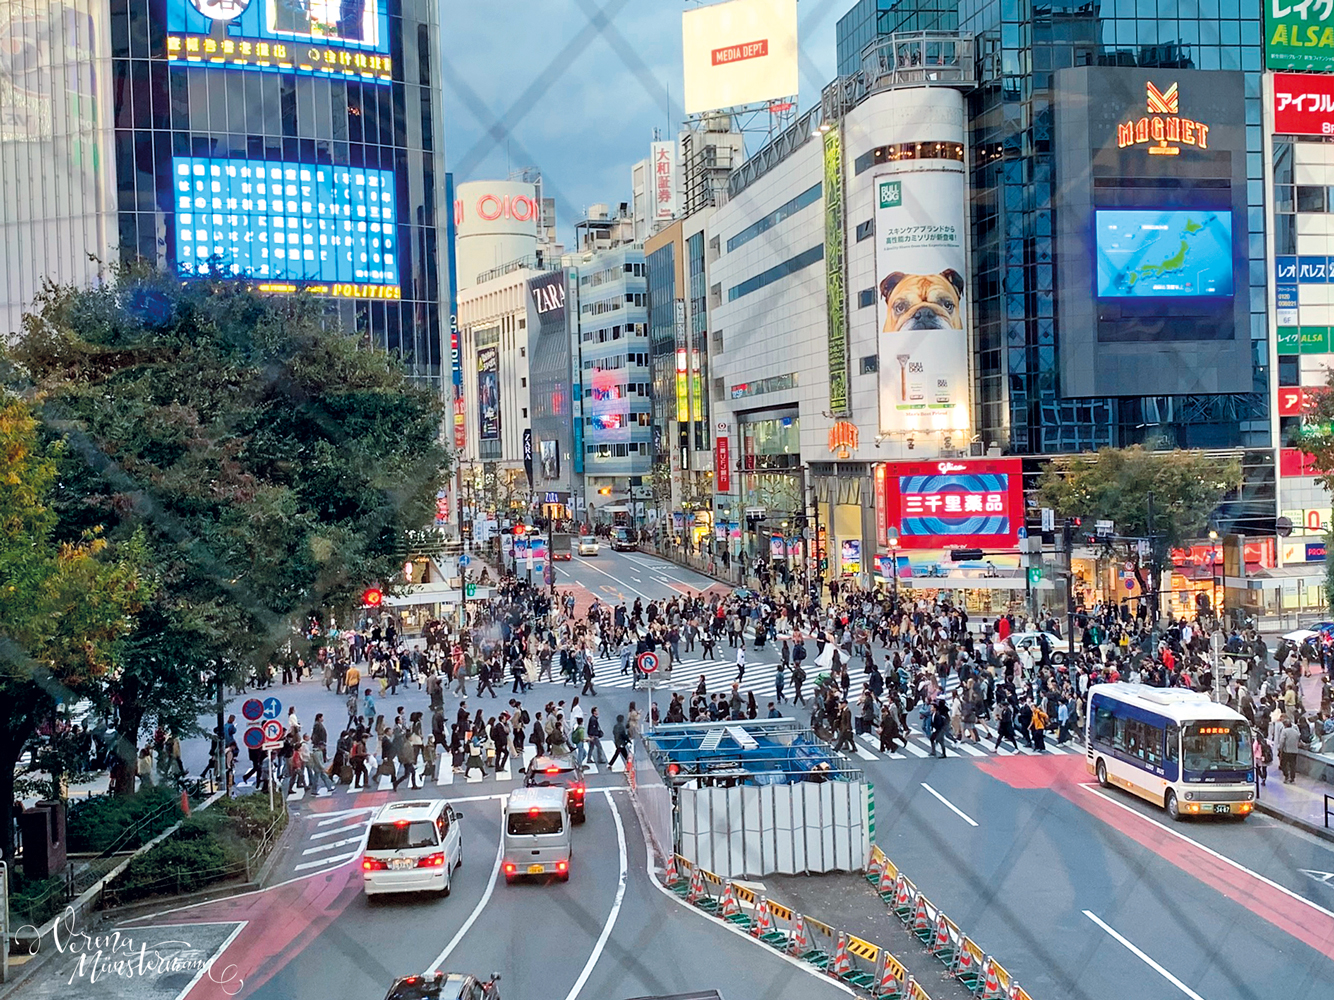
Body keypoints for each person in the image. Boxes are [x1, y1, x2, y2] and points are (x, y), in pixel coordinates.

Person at [1278, 716, 1300, 783]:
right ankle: (1292, 778)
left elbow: (1282, 741)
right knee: (1292, 765)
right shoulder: (1296, 732)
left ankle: (1286, 776)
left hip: (1286, 751)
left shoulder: (1284, 731)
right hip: (1294, 751)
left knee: (1283, 764)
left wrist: (1280, 748)